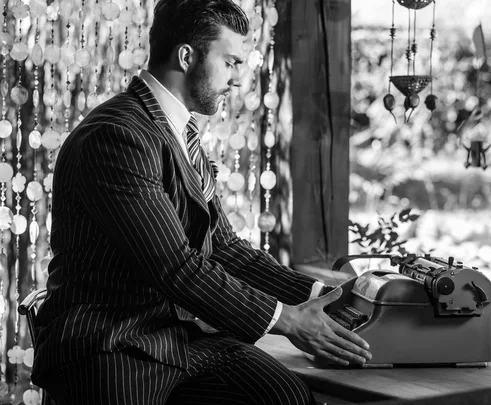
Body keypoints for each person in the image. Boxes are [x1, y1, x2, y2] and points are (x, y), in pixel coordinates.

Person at [31, 1, 371, 404]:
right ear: (187, 56)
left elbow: (224, 248)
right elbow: (174, 265)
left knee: (286, 396)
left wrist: (325, 297)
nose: (237, 79)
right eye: (229, 63)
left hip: (175, 338)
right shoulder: (117, 136)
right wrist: (287, 320)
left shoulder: (181, 133)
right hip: (111, 345)